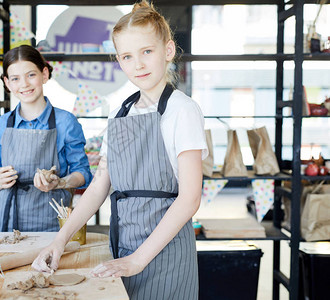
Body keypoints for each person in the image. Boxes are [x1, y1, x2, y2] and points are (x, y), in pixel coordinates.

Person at [31, 1, 208, 299]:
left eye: (146, 52)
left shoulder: (183, 111)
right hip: (123, 248)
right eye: (127, 56)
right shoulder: (120, 113)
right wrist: (60, 240)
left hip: (164, 253)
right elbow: (101, 184)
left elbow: (190, 199)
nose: (137, 64)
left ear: (168, 51)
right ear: (119, 60)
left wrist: (139, 259)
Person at [0, 45, 92, 232]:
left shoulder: (65, 122)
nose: (24, 84)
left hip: (51, 226)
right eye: (15, 79)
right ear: (7, 83)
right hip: (6, 224)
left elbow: (83, 174)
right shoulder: (2, 124)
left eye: (31, 75)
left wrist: (59, 183)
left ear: (44, 74)